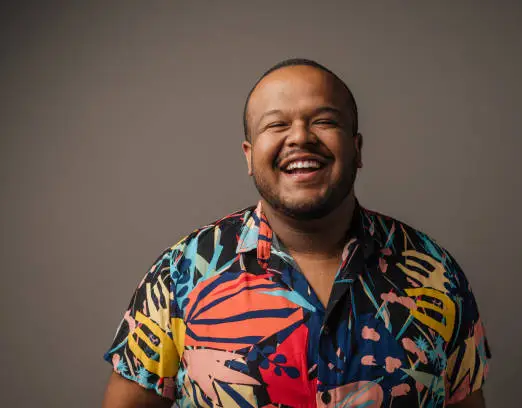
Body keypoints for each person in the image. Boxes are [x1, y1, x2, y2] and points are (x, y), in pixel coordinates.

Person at [102, 58, 491, 408]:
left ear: (357, 149)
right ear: (248, 156)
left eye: (324, 120)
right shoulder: (181, 274)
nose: (301, 137)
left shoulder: (435, 272)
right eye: (276, 124)